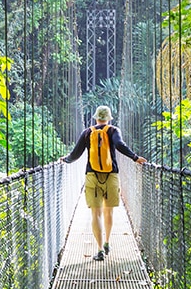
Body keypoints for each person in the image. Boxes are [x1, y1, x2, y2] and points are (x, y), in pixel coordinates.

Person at [60, 105, 147, 261]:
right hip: (111, 175)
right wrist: (135, 157)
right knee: (109, 211)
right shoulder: (113, 131)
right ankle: (107, 242)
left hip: (92, 175)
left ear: (95, 118)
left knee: (96, 213)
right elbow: (120, 145)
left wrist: (66, 160)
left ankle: (99, 249)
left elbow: (76, 154)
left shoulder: (87, 132)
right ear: (109, 118)